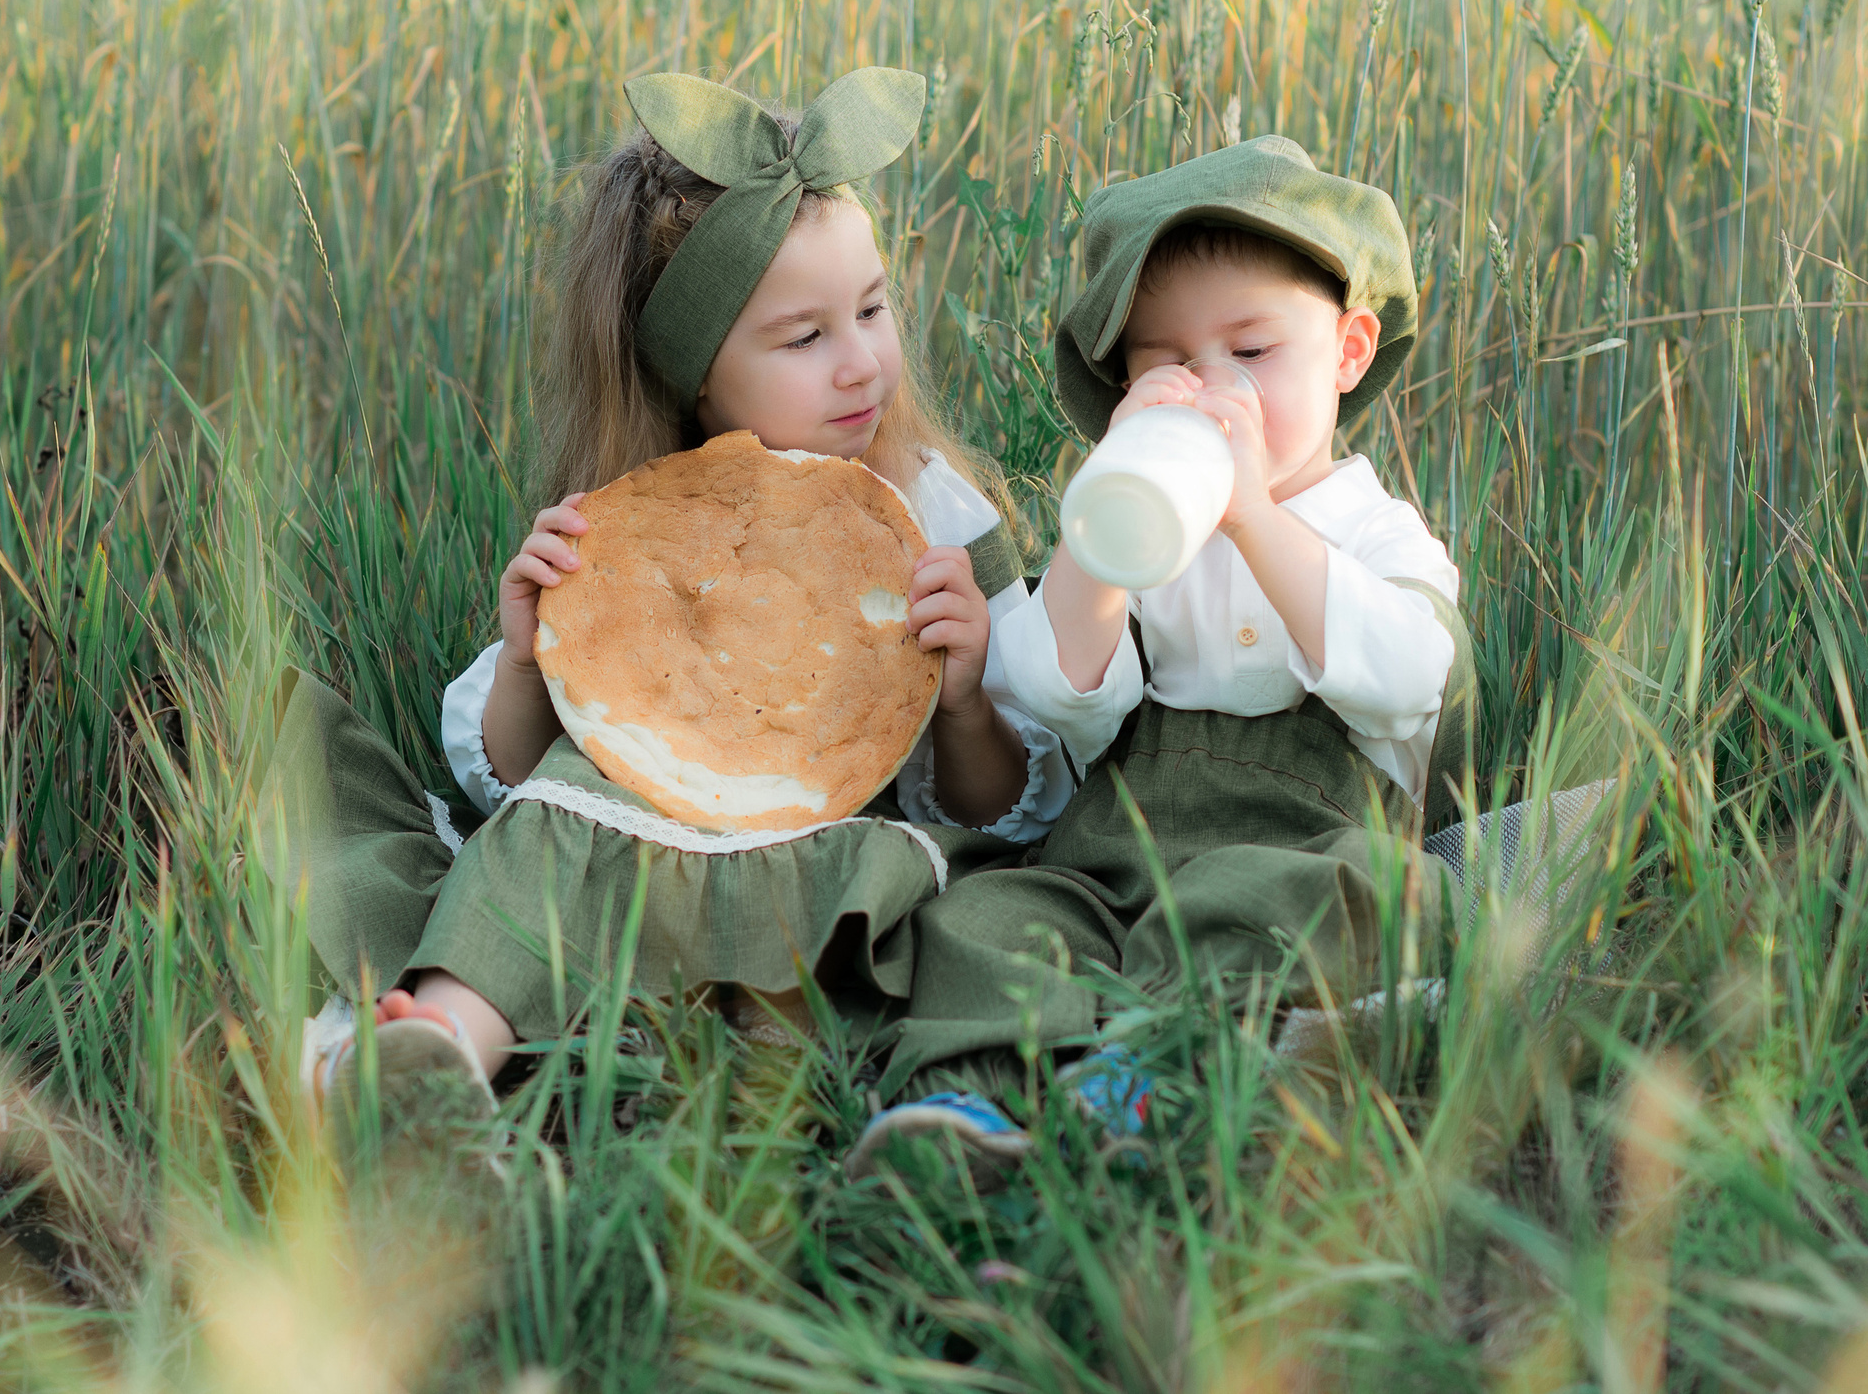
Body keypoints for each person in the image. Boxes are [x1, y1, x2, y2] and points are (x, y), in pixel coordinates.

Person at [272, 68, 1073, 1116]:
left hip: (834, 869)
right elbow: (509, 775)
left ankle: (824, 1076)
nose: (862, 364)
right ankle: (437, 1050)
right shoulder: (632, 528)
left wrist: (964, 700)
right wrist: (527, 657)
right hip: (636, 857)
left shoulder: (935, 514)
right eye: (805, 336)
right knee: (548, 821)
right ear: (694, 372)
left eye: (873, 308)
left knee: (985, 911)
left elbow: (1009, 809)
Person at [849, 135, 1474, 1179]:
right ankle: (972, 1101)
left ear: (1349, 351)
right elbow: (1055, 695)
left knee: (1332, 897)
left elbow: (1410, 674)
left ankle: (1144, 1079)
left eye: (1252, 351)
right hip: (1115, 850)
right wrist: (1099, 538)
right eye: (1170, 363)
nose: (1211, 386)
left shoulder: (1377, 530)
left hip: (1299, 838)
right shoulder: (1139, 526)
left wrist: (1251, 515)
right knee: (988, 914)